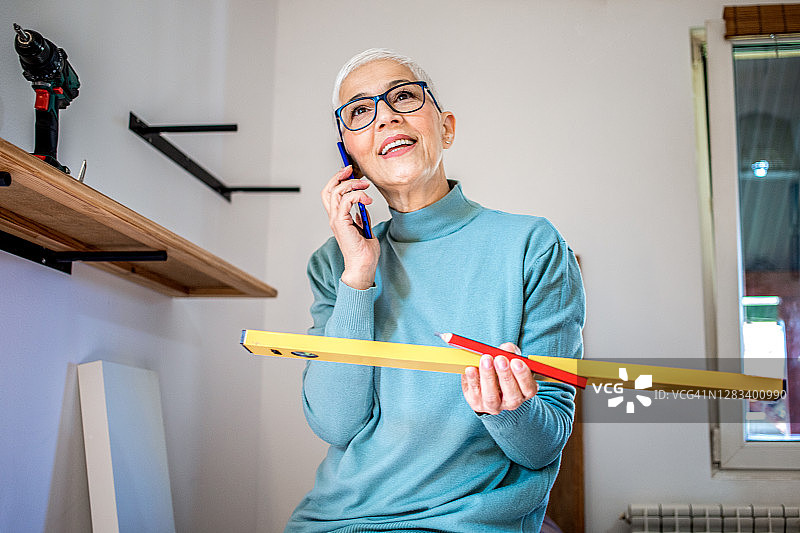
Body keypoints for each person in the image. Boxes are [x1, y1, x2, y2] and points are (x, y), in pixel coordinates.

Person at [285, 48, 585, 533]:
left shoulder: (532, 245)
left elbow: (542, 446)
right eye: (360, 111)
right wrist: (359, 275)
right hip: (334, 522)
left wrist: (512, 410)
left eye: (403, 97)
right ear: (348, 154)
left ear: (445, 128)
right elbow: (335, 424)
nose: (384, 117)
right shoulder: (333, 262)